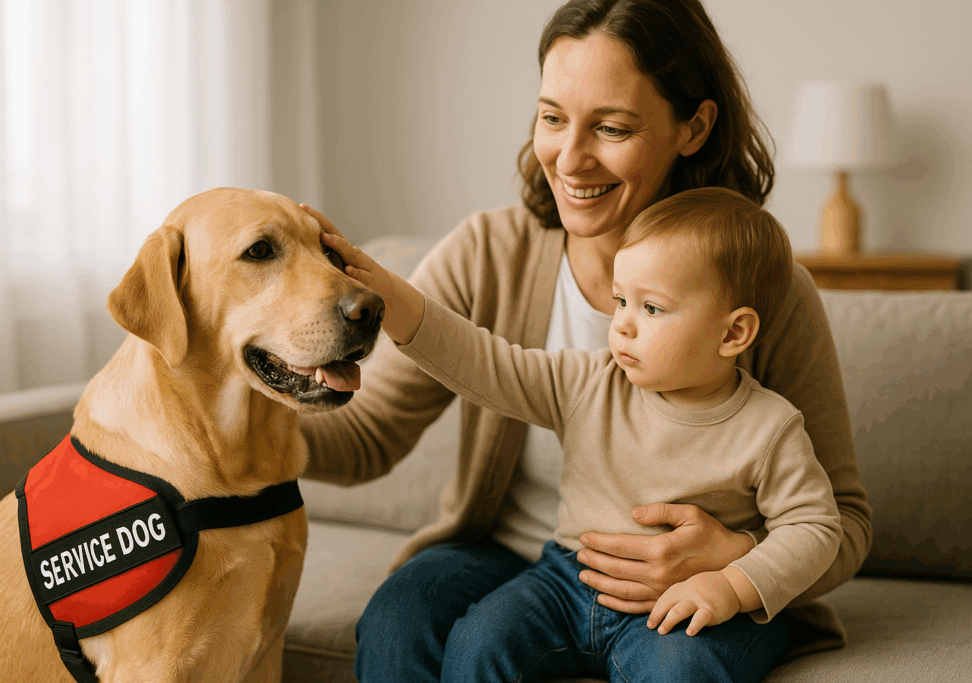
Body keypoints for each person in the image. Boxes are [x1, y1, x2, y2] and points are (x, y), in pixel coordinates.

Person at [297, 0, 871, 681]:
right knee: (400, 616)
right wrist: (249, 427)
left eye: (612, 126)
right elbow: (380, 428)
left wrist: (735, 556)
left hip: (690, 586)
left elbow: (842, 519)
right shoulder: (488, 255)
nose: (569, 159)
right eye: (551, 117)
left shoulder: (763, 293)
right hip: (523, 559)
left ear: (694, 126)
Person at [317, 186, 843, 683]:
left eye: (651, 308)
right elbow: (485, 364)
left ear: (733, 333)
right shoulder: (590, 380)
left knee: (679, 670)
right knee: (480, 642)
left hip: (683, 598)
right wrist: (390, 295)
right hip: (566, 579)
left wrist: (732, 582)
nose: (623, 325)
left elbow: (817, 526)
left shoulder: (771, 427)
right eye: (620, 301)